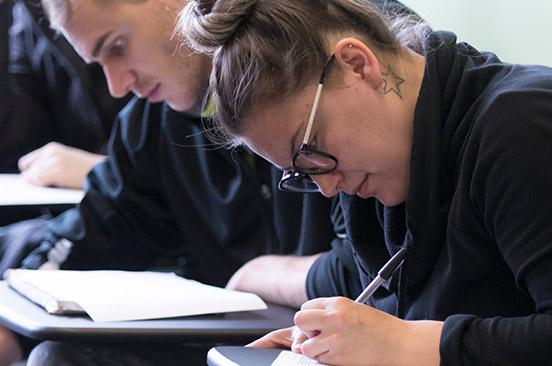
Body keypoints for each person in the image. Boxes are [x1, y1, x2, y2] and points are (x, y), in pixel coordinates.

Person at [180, 0, 552, 365]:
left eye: (310, 148)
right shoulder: (379, 174)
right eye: (301, 171)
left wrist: (402, 343)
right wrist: (334, 345)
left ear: (357, 64)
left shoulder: (524, 128)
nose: (326, 188)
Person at [0, 0, 361, 365]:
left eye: (118, 47)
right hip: (237, 344)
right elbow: (91, 234)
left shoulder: (322, 65)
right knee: (57, 356)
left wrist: (259, 274)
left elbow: (370, 271)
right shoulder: (153, 123)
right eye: (98, 64)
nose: (117, 86)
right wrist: (14, 324)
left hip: (338, 344)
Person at [1, 0, 128, 189]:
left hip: (138, 196)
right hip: (79, 200)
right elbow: (22, 146)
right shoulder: (29, 13)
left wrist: (101, 170)